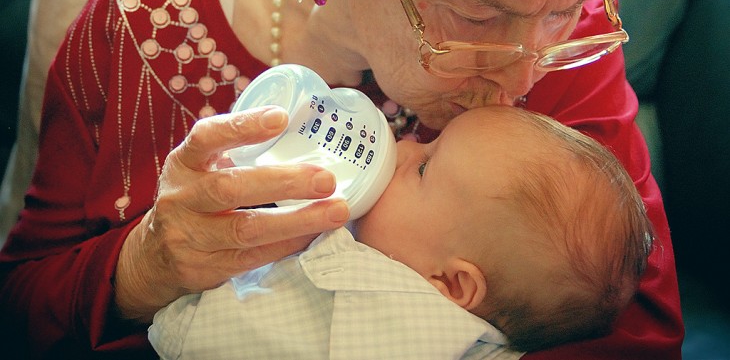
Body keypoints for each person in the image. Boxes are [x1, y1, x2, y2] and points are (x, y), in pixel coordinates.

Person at [0, 0, 683, 358]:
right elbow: (18, 310)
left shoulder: (545, 15)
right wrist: (142, 265)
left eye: (566, 11)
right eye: (474, 15)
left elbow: (633, 325)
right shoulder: (146, 21)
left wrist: (546, 17)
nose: (526, 70)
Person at [148, 106, 654, 359]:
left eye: (424, 168)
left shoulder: (361, 290)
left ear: (452, 285)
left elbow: (190, 334)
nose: (405, 146)